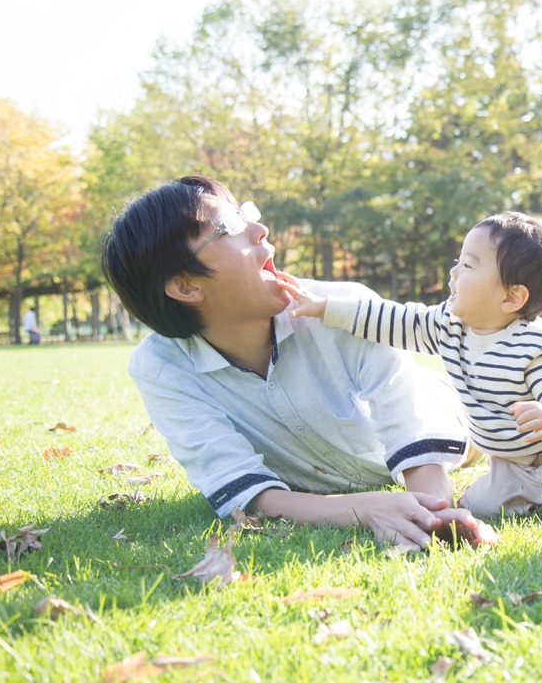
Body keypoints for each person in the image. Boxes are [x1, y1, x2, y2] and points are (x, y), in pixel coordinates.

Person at [100, 175, 492, 552]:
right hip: (350, 468)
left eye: (246, 214)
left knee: (498, 429)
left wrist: (433, 513)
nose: (259, 229)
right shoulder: (162, 368)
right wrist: (364, 508)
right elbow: (243, 491)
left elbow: (413, 429)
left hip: (458, 416)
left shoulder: (346, 309)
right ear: (186, 286)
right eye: (229, 227)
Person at [279, 211, 542, 520]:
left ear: (512, 297)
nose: (453, 273)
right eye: (457, 262)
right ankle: (529, 497)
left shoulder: (537, 345)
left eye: (468, 265)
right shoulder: (449, 326)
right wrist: (328, 307)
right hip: (510, 465)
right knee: (478, 508)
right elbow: (392, 319)